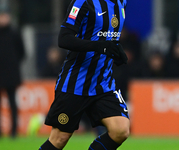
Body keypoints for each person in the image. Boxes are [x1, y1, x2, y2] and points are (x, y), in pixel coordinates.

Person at [39, 0, 130, 150]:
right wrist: (100, 46)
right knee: (59, 138)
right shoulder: (83, 2)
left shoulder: (122, 2)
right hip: (76, 83)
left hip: (103, 83)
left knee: (120, 130)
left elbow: (107, 36)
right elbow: (64, 38)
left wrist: (116, 50)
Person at [0, 10, 25, 138]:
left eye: (4, 17)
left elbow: (22, 52)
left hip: (11, 74)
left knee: (12, 103)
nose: (2, 19)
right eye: (0, 17)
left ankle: (14, 132)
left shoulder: (14, 33)